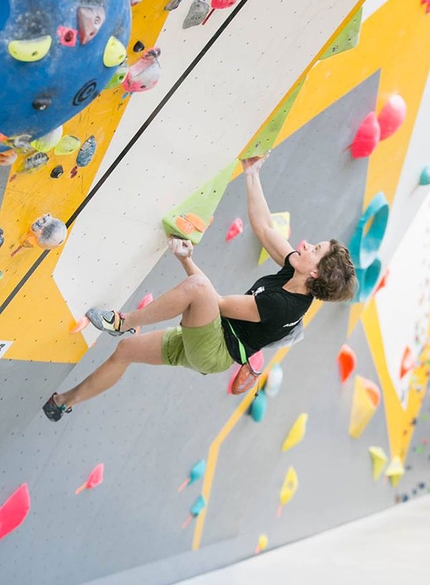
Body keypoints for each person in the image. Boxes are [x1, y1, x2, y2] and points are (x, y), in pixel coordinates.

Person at [43, 153, 356, 422]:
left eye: (315, 248)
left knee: (197, 286)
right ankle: (62, 403)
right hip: (213, 334)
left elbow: (214, 302)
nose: (308, 244)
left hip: (215, 348)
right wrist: (252, 172)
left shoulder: (283, 304)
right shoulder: (296, 270)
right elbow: (263, 227)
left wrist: (185, 258)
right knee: (125, 352)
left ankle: (121, 323)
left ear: (314, 272)